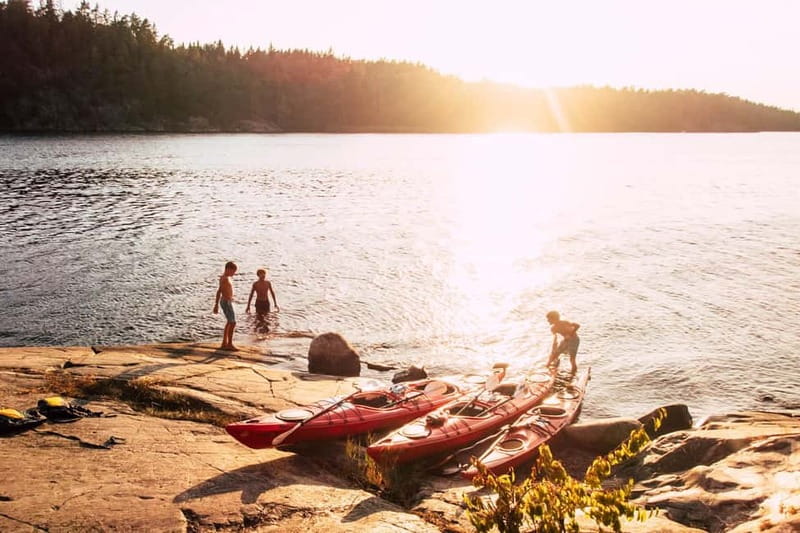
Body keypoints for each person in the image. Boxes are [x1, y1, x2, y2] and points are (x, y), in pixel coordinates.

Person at [213, 261, 238, 351]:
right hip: (226, 302)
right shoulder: (224, 279)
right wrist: (216, 305)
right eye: (233, 271)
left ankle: (224, 343)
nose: (234, 273)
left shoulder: (226, 278)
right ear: (228, 269)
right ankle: (229, 344)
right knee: (232, 322)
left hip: (227, 301)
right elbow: (219, 292)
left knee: (229, 321)